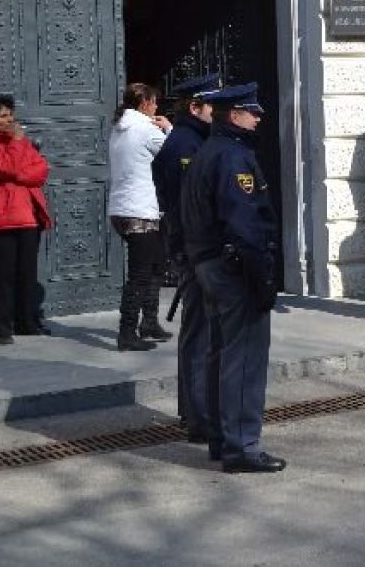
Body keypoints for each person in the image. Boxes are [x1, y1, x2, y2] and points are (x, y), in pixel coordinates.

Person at [181, 82, 285, 473]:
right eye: (251, 112)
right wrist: (262, 278)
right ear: (234, 114)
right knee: (244, 360)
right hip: (234, 269)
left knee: (221, 353)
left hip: (209, 264)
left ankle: (221, 439)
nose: (258, 118)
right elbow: (245, 225)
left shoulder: (209, 151)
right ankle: (241, 446)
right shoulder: (232, 157)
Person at [152, 73, 221, 444]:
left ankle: (194, 409)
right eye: (214, 105)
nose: (219, 112)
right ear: (195, 107)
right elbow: (188, 206)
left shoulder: (197, 139)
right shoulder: (185, 144)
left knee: (203, 332)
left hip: (198, 249)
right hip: (196, 250)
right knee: (200, 335)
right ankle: (199, 416)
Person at [0, 94, 52, 344]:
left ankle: (26, 323)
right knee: (2, 278)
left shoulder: (21, 142)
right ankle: (1, 330)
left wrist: (19, 172)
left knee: (27, 275)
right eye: (4, 116)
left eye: (11, 114)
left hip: (28, 217)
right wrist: (17, 152)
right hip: (4, 219)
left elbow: (41, 170)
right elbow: (7, 168)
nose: (10, 120)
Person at [108, 83, 173, 352]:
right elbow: (174, 154)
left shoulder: (119, 128)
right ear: (144, 102)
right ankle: (127, 332)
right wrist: (169, 128)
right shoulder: (146, 129)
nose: (157, 107)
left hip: (122, 209)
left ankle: (149, 322)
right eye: (154, 101)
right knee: (141, 274)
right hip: (140, 211)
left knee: (156, 265)